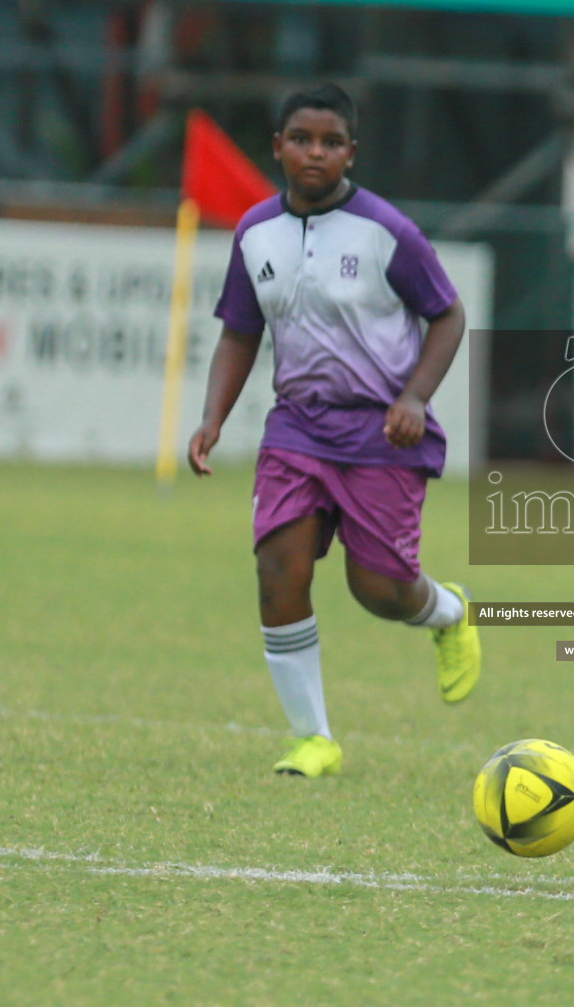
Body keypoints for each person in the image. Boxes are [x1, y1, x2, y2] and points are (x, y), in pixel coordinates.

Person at [188, 83, 481, 779]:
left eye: (329, 142)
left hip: (383, 433)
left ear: (351, 151)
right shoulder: (255, 233)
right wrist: (212, 418)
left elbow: (448, 316)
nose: (314, 153)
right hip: (296, 430)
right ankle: (311, 736)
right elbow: (240, 330)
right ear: (278, 147)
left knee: (380, 591)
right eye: (300, 139)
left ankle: (448, 613)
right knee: (277, 570)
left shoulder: (388, 232)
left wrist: (414, 397)